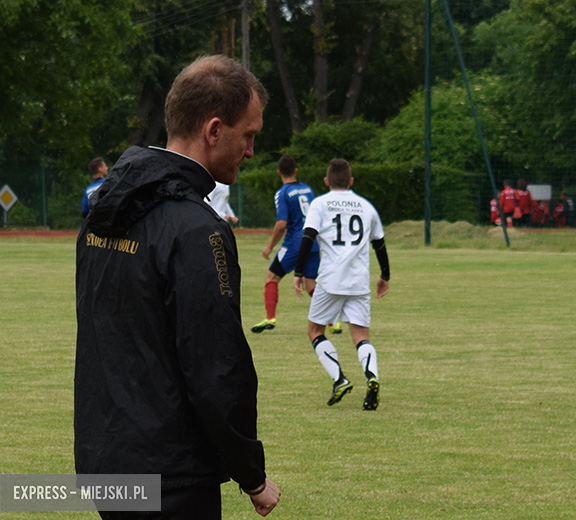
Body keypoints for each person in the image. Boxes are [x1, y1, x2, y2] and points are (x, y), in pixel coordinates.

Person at [75, 55, 280, 518]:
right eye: (248, 135)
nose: (250, 151)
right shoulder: (196, 230)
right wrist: (252, 473)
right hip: (171, 476)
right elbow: (215, 366)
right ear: (213, 131)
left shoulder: (102, 213)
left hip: (105, 462)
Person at [293, 158, 390, 411]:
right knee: (361, 337)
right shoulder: (366, 206)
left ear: (326, 181)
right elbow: (379, 243)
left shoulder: (320, 204)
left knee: (315, 331)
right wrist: (385, 276)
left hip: (330, 282)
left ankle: (340, 379)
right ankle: (372, 377)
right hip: (358, 283)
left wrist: (299, 272)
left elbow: (308, 237)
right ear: (351, 181)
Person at [251, 154, 326, 333]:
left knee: (272, 277)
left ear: (278, 172)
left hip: (295, 243)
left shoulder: (283, 193)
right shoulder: (308, 190)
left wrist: (270, 246)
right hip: (313, 242)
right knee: (310, 284)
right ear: (296, 170)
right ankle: (332, 321)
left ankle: (270, 318)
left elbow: (281, 224)